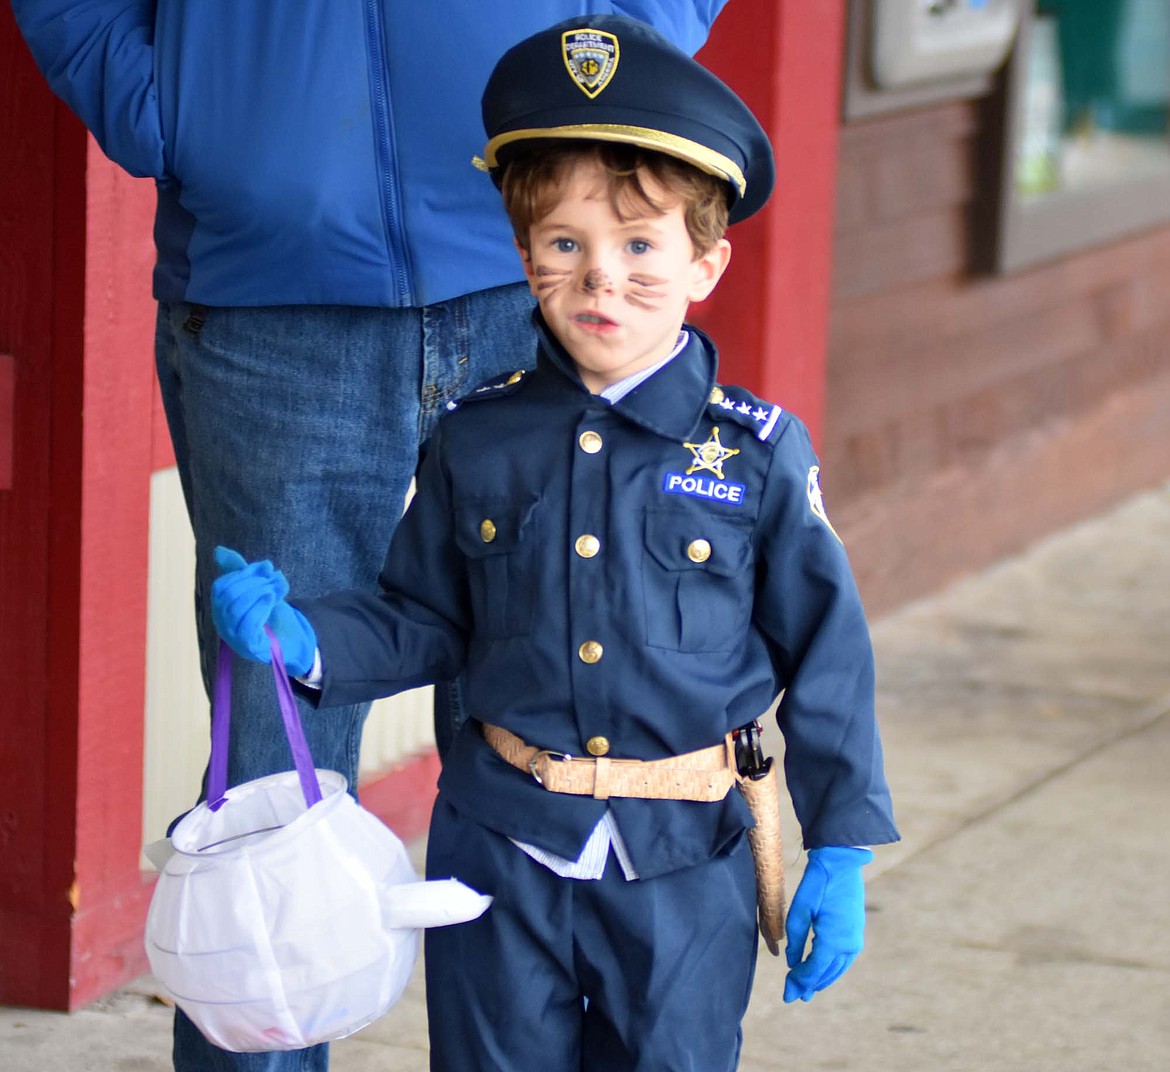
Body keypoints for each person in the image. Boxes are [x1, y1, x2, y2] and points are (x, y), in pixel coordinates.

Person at [9, 3, 731, 1069]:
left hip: (538, 265)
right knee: (271, 765)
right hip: (277, 296)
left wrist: (608, 48)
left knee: (548, 737)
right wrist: (172, 111)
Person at [211, 15, 900, 1071]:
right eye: (564, 245)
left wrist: (840, 843)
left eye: (639, 245)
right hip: (500, 852)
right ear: (523, 251)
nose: (600, 280)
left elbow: (828, 652)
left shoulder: (754, 454)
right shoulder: (477, 434)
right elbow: (425, 616)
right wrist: (305, 641)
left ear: (707, 261)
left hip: (682, 865)